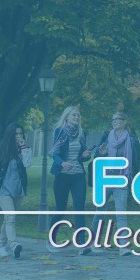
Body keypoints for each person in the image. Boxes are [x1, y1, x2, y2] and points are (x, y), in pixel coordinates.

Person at [46, 106, 93, 254]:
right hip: (62, 176)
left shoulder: (82, 133)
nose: (77, 117)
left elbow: (83, 155)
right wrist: (62, 163)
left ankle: (82, 244)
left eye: (78, 115)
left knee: (79, 209)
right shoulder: (59, 132)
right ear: (66, 117)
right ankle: (51, 241)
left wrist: (86, 155)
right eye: (74, 115)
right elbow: (54, 152)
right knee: (60, 210)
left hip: (78, 176)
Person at [91, 111, 138, 257]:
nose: (114, 121)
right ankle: (94, 243)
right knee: (100, 212)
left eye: (118, 119)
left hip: (121, 178)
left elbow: (134, 160)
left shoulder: (131, 139)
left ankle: (123, 246)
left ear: (125, 122)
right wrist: (103, 154)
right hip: (104, 178)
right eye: (113, 119)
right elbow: (97, 157)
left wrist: (132, 178)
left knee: (121, 212)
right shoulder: (106, 136)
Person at [0, 123, 32, 259]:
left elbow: (28, 164)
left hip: (18, 190)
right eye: (16, 134)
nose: (19, 136)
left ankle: (0, 246)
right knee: (11, 218)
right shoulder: (1, 151)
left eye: (21, 133)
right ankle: (14, 245)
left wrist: (23, 148)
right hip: (3, 190)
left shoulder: (24, 150)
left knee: (7, 219)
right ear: (10, 135)